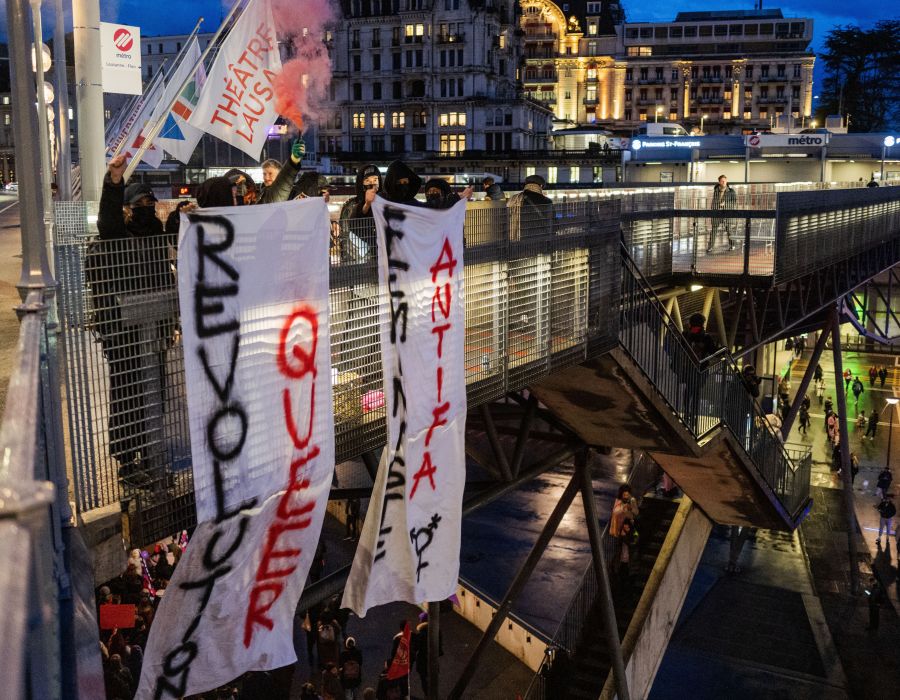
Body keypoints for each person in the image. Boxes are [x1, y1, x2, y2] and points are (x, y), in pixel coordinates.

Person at [85, 155, 177, 487]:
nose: (146, 207)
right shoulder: (115, 237)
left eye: (150, 201)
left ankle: (151, 458)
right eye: (139, 202)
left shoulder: (155, 237)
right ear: (126, 207)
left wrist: (170, 325)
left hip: (153, 332)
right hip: (123, 333)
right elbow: (107, 220)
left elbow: (166, 283)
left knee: (155, 393)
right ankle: (127, 461)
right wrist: (114, 180)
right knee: (127, 395)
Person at [508, 174, 553, 240]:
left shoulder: (514, 198)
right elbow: (553, 222)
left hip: (519, 238)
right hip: (540, 239)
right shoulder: (547, 201)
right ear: (540, 186)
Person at [708, 174, 736, 252]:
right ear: (719, 182)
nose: (723, 182)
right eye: (722, 181)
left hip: (727, 213)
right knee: (714, 230)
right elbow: (714, 201)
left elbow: (734, 202)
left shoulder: (731, 191)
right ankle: (710, 246)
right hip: (717, 212)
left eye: (725, 181)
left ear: (726, 181)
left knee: (729, 229)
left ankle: (732, 245)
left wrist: (725, 204)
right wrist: (713, 210)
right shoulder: (716, 191)